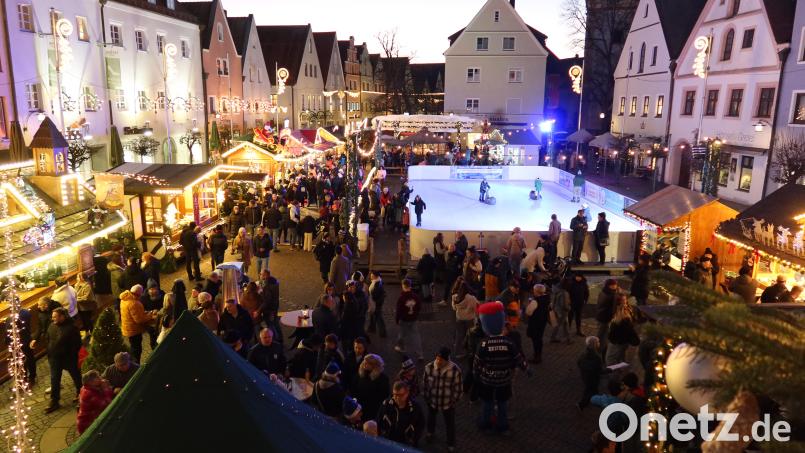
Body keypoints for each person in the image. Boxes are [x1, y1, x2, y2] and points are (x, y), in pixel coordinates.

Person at [474, 302, 527, 434]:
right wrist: (526, 369)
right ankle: (502, 426)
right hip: (504, 380)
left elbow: (477, 364)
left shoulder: (483, 344)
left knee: (487, 403)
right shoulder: (508, 342)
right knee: (503, 404)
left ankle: (486, 424)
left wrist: (476, 375)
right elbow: (517, 358)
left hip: (487, 380)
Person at [32, 308, 82, 413]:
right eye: (52, 316)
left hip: (68, 358)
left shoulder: (71, 328)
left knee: (76, 376)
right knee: (54, 379)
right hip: (54, 358)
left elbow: (77, 344)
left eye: (55, 316)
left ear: (62, 316)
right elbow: (48, 339)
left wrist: (70, 354)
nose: (52, 318)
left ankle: (81, 393)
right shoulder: (52, 325)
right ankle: (54, 401)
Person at [423, 347, 463, 452]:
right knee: (431, 418)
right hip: (432, 401)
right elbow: (425, 384)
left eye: (441, 359)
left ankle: (450, 443)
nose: (438, 361)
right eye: (437, 358)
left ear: (447, 360)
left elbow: (459, 389)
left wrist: (453, 401)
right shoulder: (429, 367)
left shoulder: (455, 370)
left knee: (450, 424)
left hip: (447, 404)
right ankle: (430, 433)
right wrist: (427, 397)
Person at [377, 380, 425, 447]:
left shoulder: (415, 408)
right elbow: (378, 420)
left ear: (407, 393)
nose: (396, 398)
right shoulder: (386, 405)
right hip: (387, 442)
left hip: (406, 444)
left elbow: (420, 425)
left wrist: (414, 439)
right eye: (394, 395)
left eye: (400, 395)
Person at [120, 286, 156, 364]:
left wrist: (145, 313)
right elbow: (139, 320)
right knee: (136, 349)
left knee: (134, 347)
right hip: (134, 330)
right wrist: (150, 315)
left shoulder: (125, 298)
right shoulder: (133, 303)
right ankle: (136, 365)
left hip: (128, 328)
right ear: (138, 294)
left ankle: (134, 362)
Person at [351, 353, 390, 422]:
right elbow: (353, 389)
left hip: (372, 411)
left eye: (367, 363)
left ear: (374, 366)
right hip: (358, 408)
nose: (364, 364)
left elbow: (384, 396)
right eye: (364, 362)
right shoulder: (360, 375)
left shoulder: (383, 379)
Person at [606, 295, 640, 366]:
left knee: (610, 358)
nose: (625, 301)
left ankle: (614, 372)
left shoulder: (622, 316)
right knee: (621, 354)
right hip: (623, 340)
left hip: (619, 341)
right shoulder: (624, 311)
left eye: (625, 299)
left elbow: (614, 331)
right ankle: (620, 366)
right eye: (623, 300)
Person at [395, 279, 423, 360]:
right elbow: (419, 307)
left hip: (404, 320)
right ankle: (420, 354)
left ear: (403, 286)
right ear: (410, 286)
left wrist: (397, 319)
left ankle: (400, 347)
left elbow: (398, 310)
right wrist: (415, 315)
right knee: (416, 337)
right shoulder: (415, 297)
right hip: (413, 319)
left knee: (402, 334)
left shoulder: (401, 298)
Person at [577, 336, 605, 410]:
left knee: (589, 389)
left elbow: (579, 363)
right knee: (591, 391)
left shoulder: (583, 354)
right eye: (598, 342)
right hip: (593, 378)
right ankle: (582, 404)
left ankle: (586, 403)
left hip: (585, 376)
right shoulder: (597, 357)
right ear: (595, 345)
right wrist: (609, 370)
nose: (599, 343)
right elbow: (599, 370)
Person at [451, 281, 478, 359]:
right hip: (469, 319)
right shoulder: (471, 298)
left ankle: (457, 352)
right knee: (470, 336)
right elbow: (476, 309)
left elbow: (454, 308)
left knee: (459, 336)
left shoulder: (455, 297)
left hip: (459, 318)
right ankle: (469, 352)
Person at [526, 284, 550, 364]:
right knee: (539, 338)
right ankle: (538, 354)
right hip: (543, 321)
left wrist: (529, 304)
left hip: (535, 322)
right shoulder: (547, 298)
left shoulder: (535, 301)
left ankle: (537, 357)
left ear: (536, 291)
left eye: (534, 290)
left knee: (535, 339)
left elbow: (528, 312)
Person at [596, 279, 619, 353]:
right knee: (603, 334)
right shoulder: (611, 295)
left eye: (616, 284)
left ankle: (599, 347)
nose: (615, 286)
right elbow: (612, 309)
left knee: (601, 333)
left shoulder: (603, 291)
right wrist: (612, 317)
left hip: (600, 315)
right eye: (614, 285)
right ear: (609, 286)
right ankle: (600, 349)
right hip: (606, 317)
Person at [140, 279, 164, 349]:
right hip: (151, 323)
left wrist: (159, 311)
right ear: (148, 289)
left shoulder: (162, 294)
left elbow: (165, 305)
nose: (154, 290)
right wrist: (151, 312)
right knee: (153, 337)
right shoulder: (144, 298)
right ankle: (154, 349)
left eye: (155, 288)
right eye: (151, 289)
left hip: (161, 319)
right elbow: (142, 311)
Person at [550, 278, 572, 344]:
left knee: (563, 324)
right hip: (562, 312)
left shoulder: (556, 290)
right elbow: (564, 305)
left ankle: (568, 338)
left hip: (557, 310)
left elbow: (553, 301)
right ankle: (554, 338)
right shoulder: (564, 293)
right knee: (559, 325)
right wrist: (569, 308)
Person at [367, 271, 387, 338]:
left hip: (376, 303)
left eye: (372, 276)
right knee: (372, 315)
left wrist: (371, 297)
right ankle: (371, 328)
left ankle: (383, 332)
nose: (371, 277)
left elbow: (375, 294)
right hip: (374, 302)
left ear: (376, 276)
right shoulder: (376, 281)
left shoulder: (377, 283)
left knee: (378, 317)